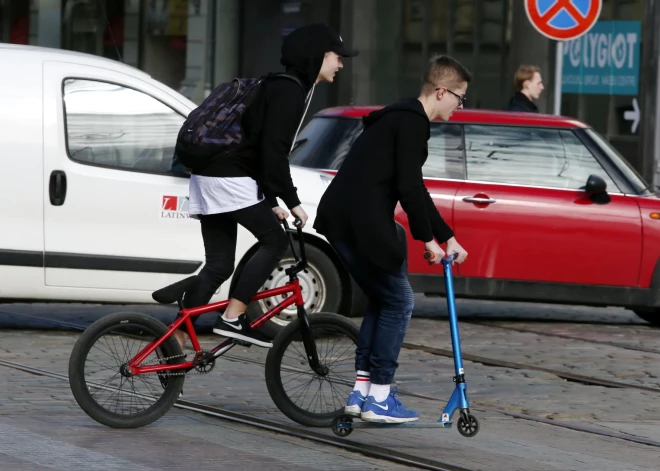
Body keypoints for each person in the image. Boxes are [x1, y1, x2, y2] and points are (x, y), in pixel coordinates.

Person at [173, 23, 358, 350]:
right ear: (317, 55)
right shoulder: (289, 91)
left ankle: (174, 338)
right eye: (337, 56)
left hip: (212, 176)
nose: (341, 64)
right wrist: (293, 201)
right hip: (228, 178)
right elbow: (273, 155)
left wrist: (272, 199)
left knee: (219, 265)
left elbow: (258, 151)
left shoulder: (280, 86)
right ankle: (233, 317)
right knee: (274, 241)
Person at [313, 54, 470, 423]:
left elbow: (413, 188)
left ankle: (362, 392)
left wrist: (446, 236)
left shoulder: (395, 117)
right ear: (442, 91)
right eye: (460, 98)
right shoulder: (413, 124)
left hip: (339, 218)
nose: (460, 107)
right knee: (400, 302)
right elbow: (409, 187)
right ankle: (381, 396)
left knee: (383, 301)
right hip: (364, 222)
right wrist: (428, 240)